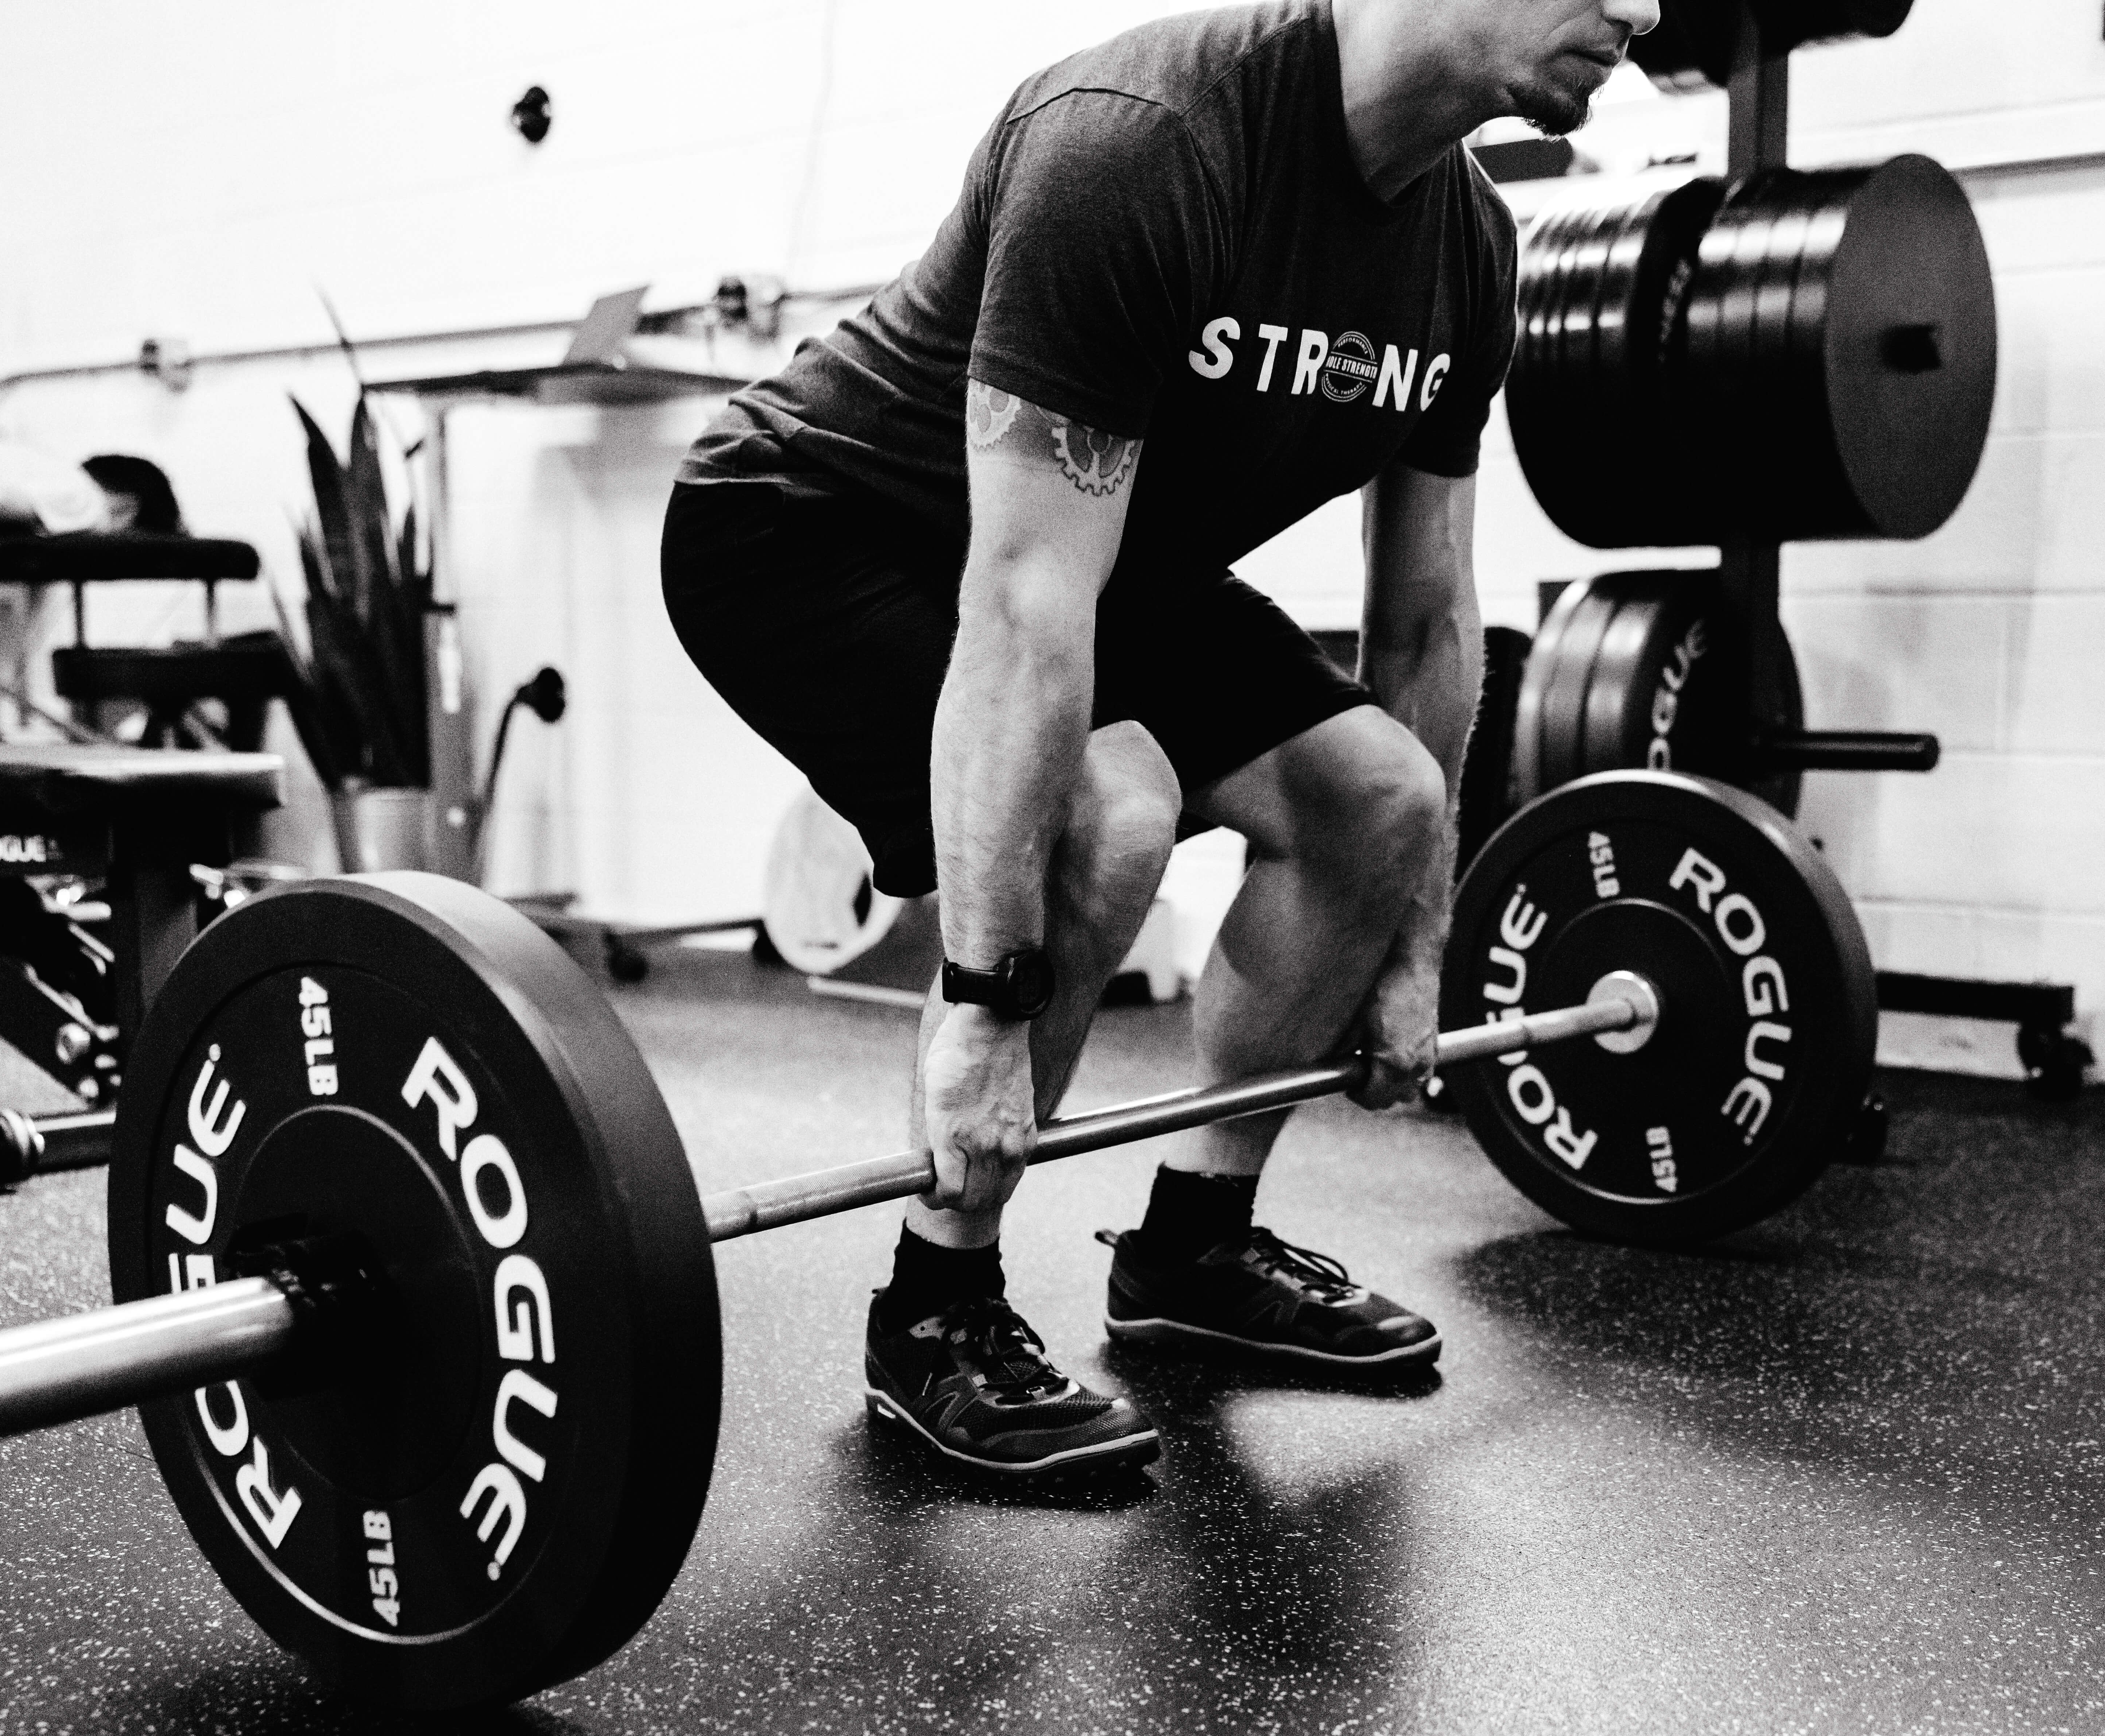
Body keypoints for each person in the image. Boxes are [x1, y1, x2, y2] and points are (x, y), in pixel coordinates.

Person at [664, 0, 1656, 1475]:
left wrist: (1412, 939)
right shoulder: (1143, 143)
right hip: (817, 534)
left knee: (1375, 797)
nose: (1640, 12)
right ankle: (935, 1304)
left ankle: (1192, 1249)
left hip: (1100, 558)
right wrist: (986, 1005)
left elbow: (1431, 620)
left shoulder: (1469, 247)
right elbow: (1019, 600)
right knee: (1108, 806)